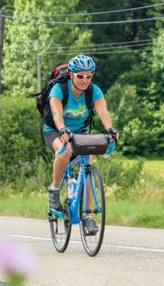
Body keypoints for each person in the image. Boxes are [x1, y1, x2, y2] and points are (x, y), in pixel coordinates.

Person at [44, 54, 119, 236]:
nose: (85, 80)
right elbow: (56, 113)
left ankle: (88, 215)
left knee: (88, 166)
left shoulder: (93, 91)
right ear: (71, 74)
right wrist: (62, 128)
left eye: (89, 76)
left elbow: (102, 111)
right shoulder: (59, 89)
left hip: (80, 132)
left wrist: (110, 129)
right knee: (65, 151)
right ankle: (54, 189)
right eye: (80, 76)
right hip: (55, 130)